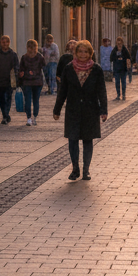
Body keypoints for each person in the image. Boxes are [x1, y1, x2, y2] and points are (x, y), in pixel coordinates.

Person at [53, 39, 108, 181]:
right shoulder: (68, 68)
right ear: (75, 53)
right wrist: (57, 109)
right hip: (73, 109)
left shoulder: (96, 69)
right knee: (72, 139)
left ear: (90, 53)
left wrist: (104, 110)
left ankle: (86, 170)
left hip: (90, 109)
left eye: (86, 52)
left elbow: (101, 91)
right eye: (80, 51)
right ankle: (75, 168)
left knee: (88, 140)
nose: (83, 54)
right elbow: (63, 90)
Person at [18, 39, 46, 125]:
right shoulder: (24, 57)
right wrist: (22, 75)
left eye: (33, 47)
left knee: (35, 100)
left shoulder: (40, 57)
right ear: (27, 48)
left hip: (37, 82)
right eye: (30, 47)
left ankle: (34, 117)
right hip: (27, 82)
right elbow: (21, 69)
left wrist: (35, 73)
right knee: (28, 100)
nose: (32, 49)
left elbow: (44, 68)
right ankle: (29, 117)